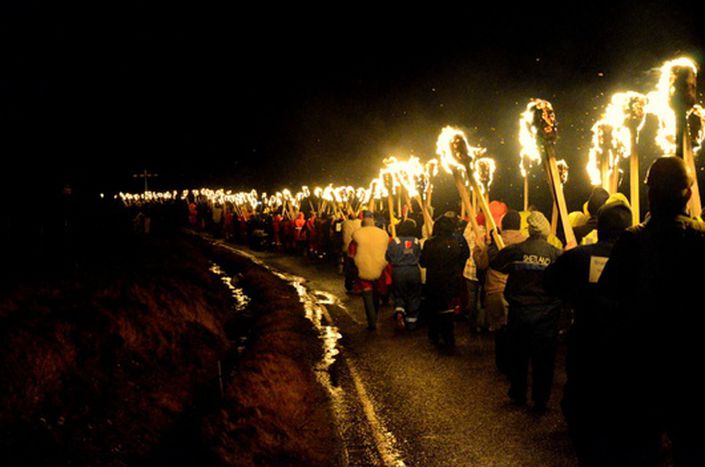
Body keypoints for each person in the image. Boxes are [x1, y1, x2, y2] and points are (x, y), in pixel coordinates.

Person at [598, 156, 705, 466]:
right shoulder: (701, 237)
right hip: (691, 366)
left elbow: (607, 299)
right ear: (687, 193)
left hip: (643, 364)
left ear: (650, 194)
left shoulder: (633, 241)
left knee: (641, 447)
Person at [544, 201, 631, 465]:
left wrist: (576, 295)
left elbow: (549, 284)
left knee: (582, 401)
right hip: (625, 350)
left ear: (600, 227)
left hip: (586, 343)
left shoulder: (577, 257)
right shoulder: (644, 259)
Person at [490, 211, 561, 412]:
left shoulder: (516, 251)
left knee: (519, 356)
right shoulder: (555, 254)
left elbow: (496, 263)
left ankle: (518, 392)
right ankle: (540, 399)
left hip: (519, 312)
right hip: (546, 316)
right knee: (543, 360)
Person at [474, 209, 527, 373]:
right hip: (520, 292)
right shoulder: (527, 242)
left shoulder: (496, 242)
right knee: (517, 331)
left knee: (501, 331)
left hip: (496, 291)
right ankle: (516, 364)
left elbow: (482, 264)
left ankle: (502, 364)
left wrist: (479, 248)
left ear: (503, 225)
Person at [420, 215, 469, 352]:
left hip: (434, 280)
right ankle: (448, 338)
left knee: (434, 308)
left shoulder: (429, 243)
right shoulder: (456, 243)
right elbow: (465, 255)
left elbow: (422, 262)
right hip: (450, 281)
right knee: (447, 310)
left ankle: (434, 335)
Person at [350, 211, 390, 330]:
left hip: (363, 267)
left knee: (367, 295)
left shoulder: (356, 237)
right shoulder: (383, 235)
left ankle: (371, 321)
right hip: (380, 268)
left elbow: (351, 254)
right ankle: (374, 317)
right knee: (376, 294)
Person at [386, 219, 422, 330]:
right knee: (413, 296)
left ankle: (399, 311)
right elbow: (420, 255)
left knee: (399, 294)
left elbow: (387, 257)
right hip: (413, 271)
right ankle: (411, 323)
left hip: (398, 271)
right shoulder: (416, 241)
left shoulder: (394, 241)